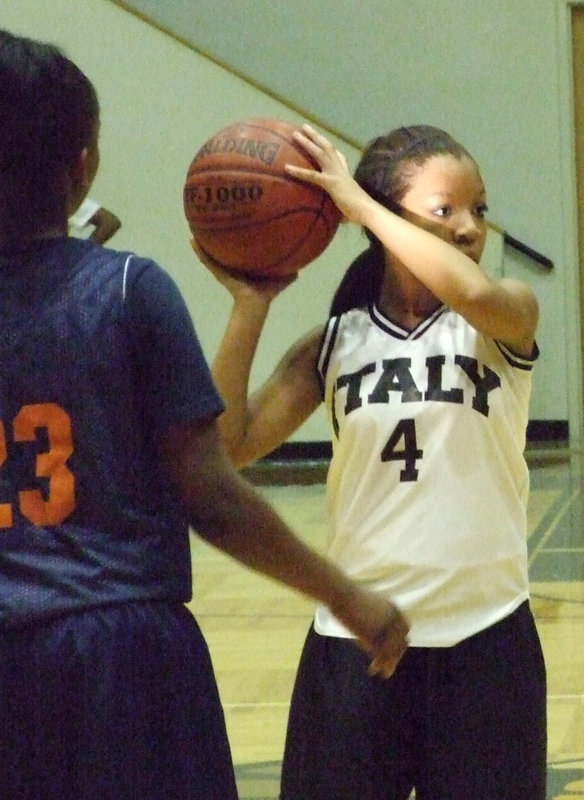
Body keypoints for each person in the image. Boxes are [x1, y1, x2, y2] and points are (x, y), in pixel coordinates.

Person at [0, 31, 410, 800]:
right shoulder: (127, 291)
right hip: (117, 656)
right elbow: (210, 493)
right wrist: (344, 595)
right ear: (82, 166)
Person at [200, 123, 547, 800]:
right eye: (445, 209)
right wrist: (249, 306)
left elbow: (474, 295)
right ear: (389, 215)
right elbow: (225, 447)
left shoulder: (504, 316)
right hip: (355, 641)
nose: (471, 227)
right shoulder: (333, 344)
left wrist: (362, 209)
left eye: (478, 209)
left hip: (486, 641)